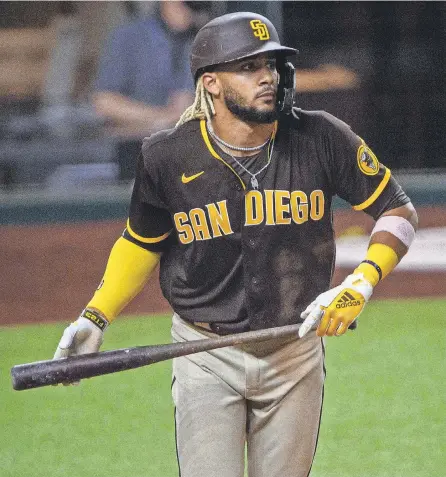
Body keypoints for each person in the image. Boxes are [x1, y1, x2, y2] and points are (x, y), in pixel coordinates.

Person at [54, 12, 418, 477]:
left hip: (293, 351)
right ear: (211, 83)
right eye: (247, 68)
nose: (266, 76)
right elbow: (142, 241)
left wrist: (361, 283)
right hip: (204, 353)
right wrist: (95, 315)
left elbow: (399, 210)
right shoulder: (167, 155)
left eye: (270, 65)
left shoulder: (321, 137)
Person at [92, 1, 210, 178]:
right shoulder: (131, 36)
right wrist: (164, 117)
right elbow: (104, 102)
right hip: (137, 161)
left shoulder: (209, 36)